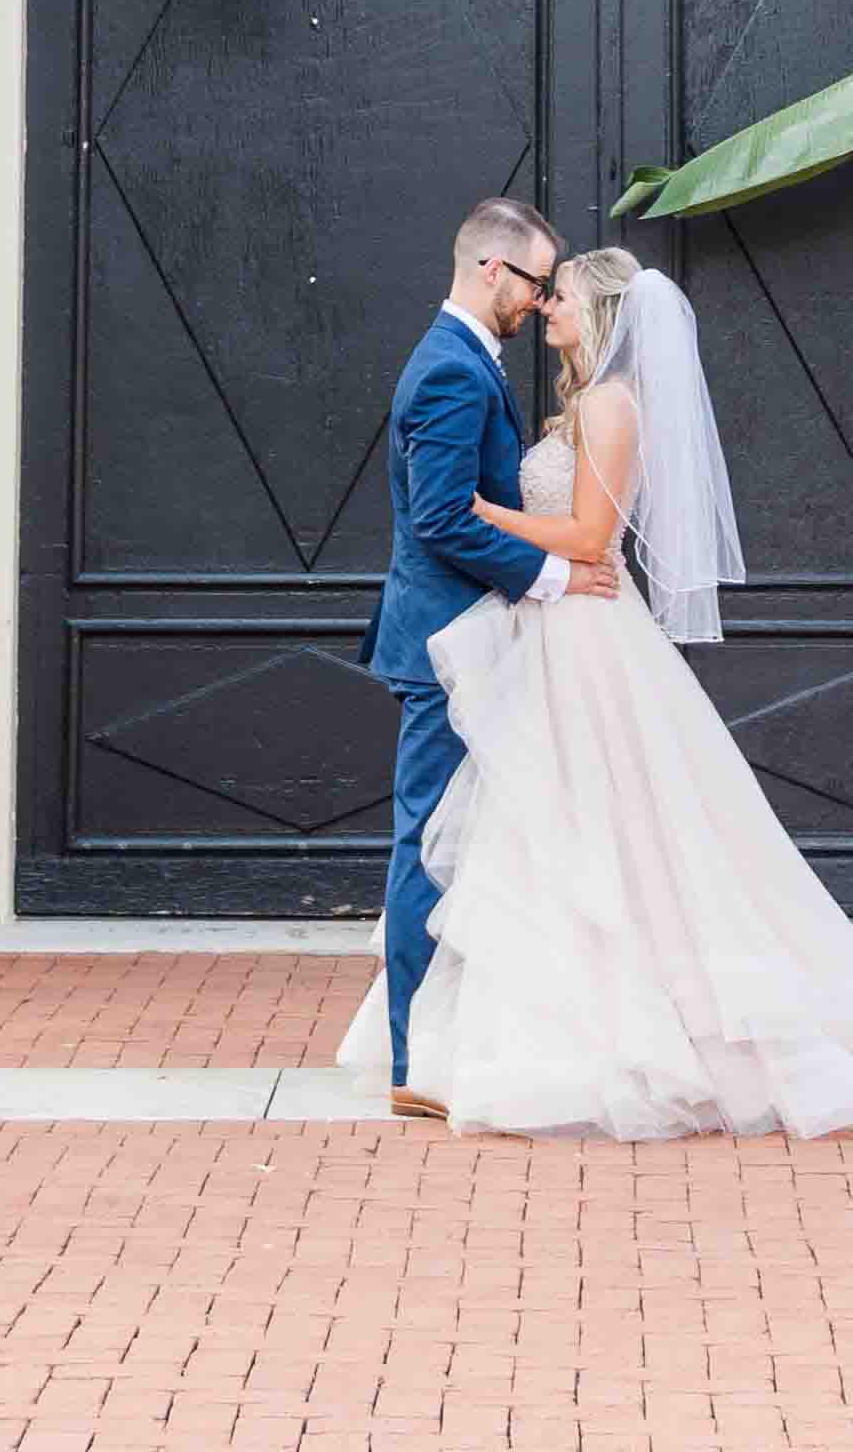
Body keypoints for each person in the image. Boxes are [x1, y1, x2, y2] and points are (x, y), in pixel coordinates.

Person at [341, 245, 853, 1137]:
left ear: (595, 314)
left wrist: (484, 515)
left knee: (610, 828)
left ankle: (597, 1031)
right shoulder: (573, 399)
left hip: (585, 632)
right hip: (549, 632)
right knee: (557, 827)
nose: (546, 307)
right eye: (539, 288)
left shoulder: (606, 403)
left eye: (558, 296)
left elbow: (591, 537)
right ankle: (506, 1032)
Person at [355, 195, 620, 1119]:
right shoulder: (451, 371)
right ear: (490, 271)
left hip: (481, 638)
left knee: (474, 842)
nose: (542, 301)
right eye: (537, 283)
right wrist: (552, 577)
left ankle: (458, 1040)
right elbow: (436, 519)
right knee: (428, 843)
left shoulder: (468, 359)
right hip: (447, 644)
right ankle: (412, 1062)